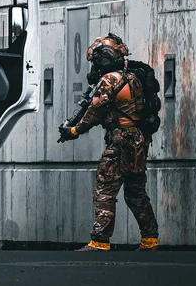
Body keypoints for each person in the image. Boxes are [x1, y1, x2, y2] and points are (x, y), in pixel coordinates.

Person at [58, 34, 160, 252]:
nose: (94, 66)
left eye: (95, 60)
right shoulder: (135, 76)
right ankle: (150, 240)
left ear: (104, 57)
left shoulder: (110, 79)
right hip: (138, 139)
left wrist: (75, 130)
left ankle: (100, 241)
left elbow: (95, 110)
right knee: (135, 192)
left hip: (120, 140)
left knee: (105, 188)